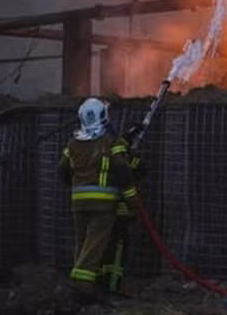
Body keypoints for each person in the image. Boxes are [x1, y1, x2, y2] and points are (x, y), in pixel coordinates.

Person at [58, 98, 139, 303]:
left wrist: (77, 186)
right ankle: (80, 284)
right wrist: (132, 202)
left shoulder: (72, 143)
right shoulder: (110, 142)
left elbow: (62, 170)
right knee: (95, 243)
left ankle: (86, 284)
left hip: (78, 202)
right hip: (103, 204)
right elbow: (123, 174)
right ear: (104, 116)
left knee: (82, 243)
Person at [100, 124, 145, 296]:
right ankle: (111, 288)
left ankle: (99, 286)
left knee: (101, 248)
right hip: (118, 211)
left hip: (99, 211)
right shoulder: (119, 158)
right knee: (117, 250)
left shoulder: (94, 152)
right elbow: (135, 175)